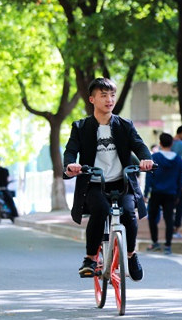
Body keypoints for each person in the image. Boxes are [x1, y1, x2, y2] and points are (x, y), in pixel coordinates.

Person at [63, 78, 153, 281]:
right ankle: (90, 258)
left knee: (129, 213)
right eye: (103, 95)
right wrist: (71, 165)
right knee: (100, 210)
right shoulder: (81, 127)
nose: (109, 99)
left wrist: (146, 158)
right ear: (92, 99)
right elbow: (70, 151)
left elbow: (139, 145)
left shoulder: (124, 125)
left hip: (122, 183)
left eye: (112, 95)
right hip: (94, 184)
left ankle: (130, 255)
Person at [145, 133, 182, 254]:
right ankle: (168, 245)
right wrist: (178, 194)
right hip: (171, 193)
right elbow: (180, 178)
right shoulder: (177, 159)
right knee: (169, 219)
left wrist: (146, 193)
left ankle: (155, 242)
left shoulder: (155, 157)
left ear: (160, 143)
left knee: (152, 217)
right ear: (172, 143)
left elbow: (149, 177)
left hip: (156, 192)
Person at [170, 125, 182, 238]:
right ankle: (176, 230)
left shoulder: (168, 144)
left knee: (168, 207)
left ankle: (169, 229)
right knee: (179, 206)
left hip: (167, 181)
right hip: (179, 180)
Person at [0, 156, 18, 221]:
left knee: (10, 201)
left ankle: (14, 216)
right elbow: (7, 180)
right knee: (10, 201)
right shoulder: (5, 170)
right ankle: (15, 215)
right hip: (3, 189)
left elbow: (7, 180)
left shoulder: (4, 170)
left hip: (3, 189)